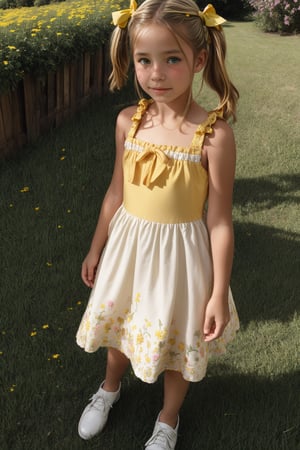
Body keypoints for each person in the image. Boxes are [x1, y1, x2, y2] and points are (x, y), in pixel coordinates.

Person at [76, 0, 240, 448]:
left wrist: (218, 291)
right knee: (119, 328)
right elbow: (116, 192)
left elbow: (220, 221)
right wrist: (96, 247)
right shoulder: (128, 122)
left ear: (199, 60)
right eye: (144, 60)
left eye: (172, 59)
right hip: (129, 251)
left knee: (174, 341)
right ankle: (109, 389)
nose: (156, 74)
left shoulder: (214, 136)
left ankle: (168, 419)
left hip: (181, 260)